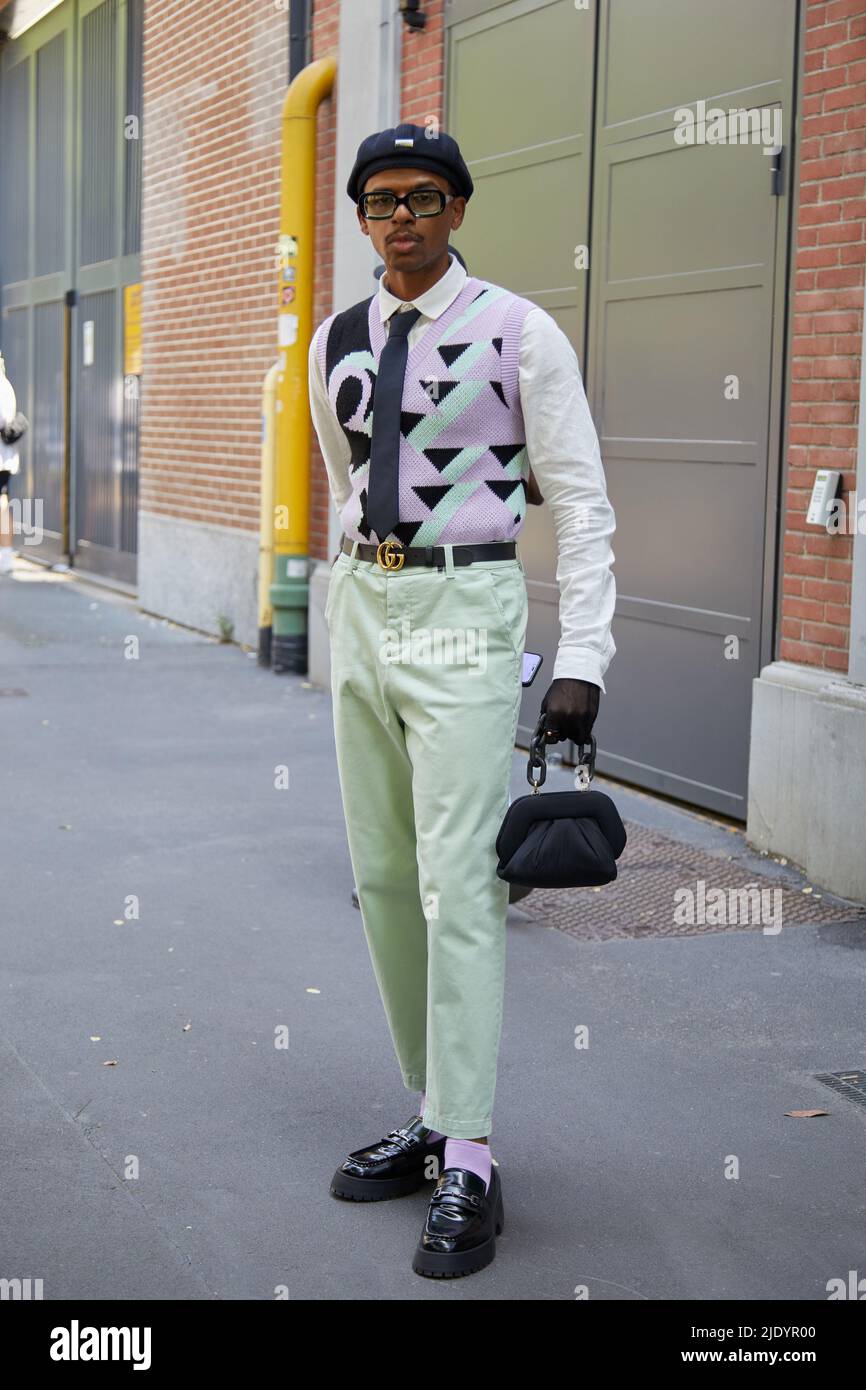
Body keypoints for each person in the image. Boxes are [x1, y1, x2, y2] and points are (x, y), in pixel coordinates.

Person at [308, 123, 616, 1279]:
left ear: (456, 210)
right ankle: (433, 1114)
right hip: (362, 608)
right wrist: (342, 603)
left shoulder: (518, 331)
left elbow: (579, 503)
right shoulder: (334, 339)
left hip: (464, 609)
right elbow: (344, 483)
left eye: (425, 197)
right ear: (359, 215)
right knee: (384, 876)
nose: (403, 216)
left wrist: (582, 655)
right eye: (381, 198)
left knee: (459, 883)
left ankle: (472, 1158)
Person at [0, 354, 26, 576]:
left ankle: (6, 555)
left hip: (1, 458)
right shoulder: (5, 384)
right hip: (5, 458)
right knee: (2, 502)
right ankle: (5, 555)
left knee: (1, 504)